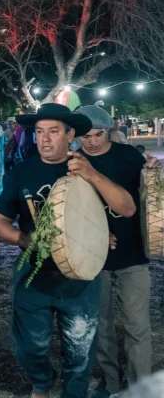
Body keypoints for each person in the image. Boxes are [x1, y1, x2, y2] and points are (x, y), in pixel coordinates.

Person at [0, 103, 137, 398]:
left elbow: (127, 208)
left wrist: (92, 175)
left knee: (80, 351)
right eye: (39, 132)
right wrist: (25, 239)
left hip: (80, 279)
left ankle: (73, 393)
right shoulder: (22, 172)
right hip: (34, 276)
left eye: (54, 131)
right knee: (28, 346)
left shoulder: (89, 167)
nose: (44, 139)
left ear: (70, 134)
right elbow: (0, 222)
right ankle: (42, 381)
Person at [73, 105, 154, 398]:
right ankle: (109, 383)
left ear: (109, 131)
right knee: (101, 326)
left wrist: (152, 171)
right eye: (85, 136)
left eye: (99, 134)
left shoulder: (129, 156)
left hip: (133, 254)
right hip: (93, 258)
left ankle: (140, 386)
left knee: (137, 326)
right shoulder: (71, 163)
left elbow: (146, 194)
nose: (92, 141)